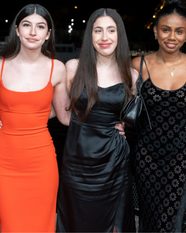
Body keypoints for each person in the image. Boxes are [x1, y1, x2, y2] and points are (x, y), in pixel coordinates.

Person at [0, 4, 69, 232]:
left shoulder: (57, 69)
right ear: (17, 30)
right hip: (5, 162)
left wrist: (110, 119)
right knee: (11, 226)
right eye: (27, 25)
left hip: (42, 162)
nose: (33, 32)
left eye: (40, 26)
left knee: (42, 226)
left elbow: (64, 116)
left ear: (48, 34)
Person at [55, 8, 137, 232]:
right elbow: (61, 115)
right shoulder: (73, 68)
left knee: (115, 225)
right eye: (98, 30)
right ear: (90, 35)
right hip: (77, 163)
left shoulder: (132, 75)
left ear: (119, 35)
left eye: (111, 30)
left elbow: (136, 118)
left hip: (115, 162)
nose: (104, 37)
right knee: (76, 221)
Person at [130, 0, 186, 231]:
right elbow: (121, 104)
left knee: (173, 222)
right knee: (150, 220)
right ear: (155, 31)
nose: (172, 36)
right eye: (166, 29)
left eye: (179, 31)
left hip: (183, 158)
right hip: (146, 157)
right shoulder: (138, 64)